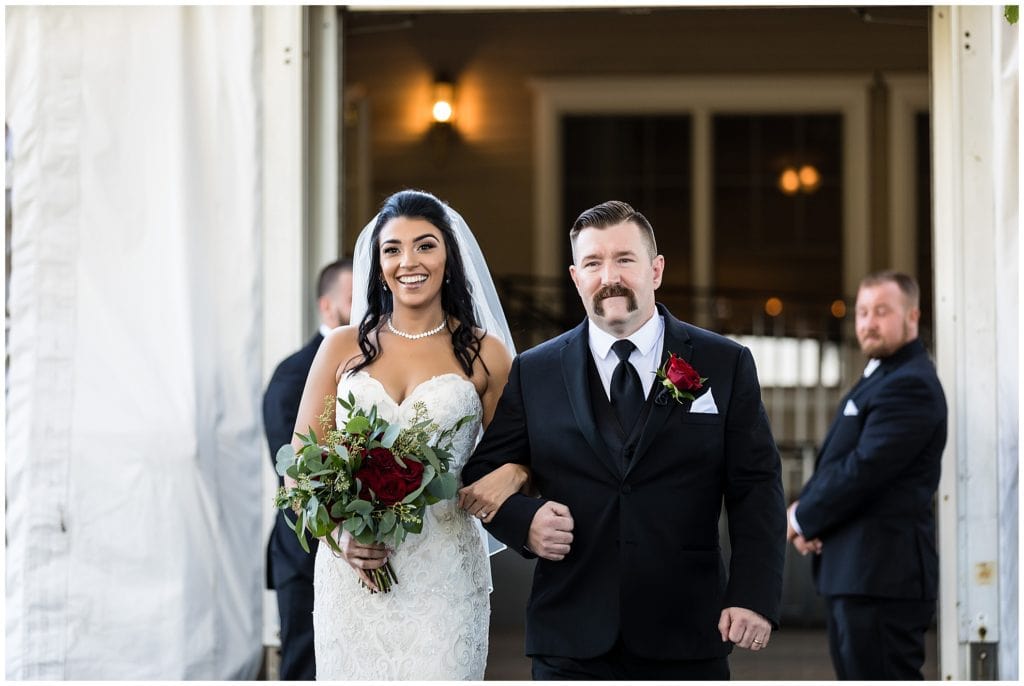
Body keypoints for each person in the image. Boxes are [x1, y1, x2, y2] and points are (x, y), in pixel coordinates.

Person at [461, 200, 786, 680]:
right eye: (593, 263)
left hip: (688, 631)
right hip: (569, 634)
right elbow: (479, 475)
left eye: (624, 259)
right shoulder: (536, 371)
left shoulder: (724, 363)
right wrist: (525, 523)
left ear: (655, 270)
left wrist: (752, 596)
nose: (608, 276)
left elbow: (756, 488)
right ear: (576, 278)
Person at [286, 189, 529, 680]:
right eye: (392, 249)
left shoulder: (486, 355)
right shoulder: (340, 349)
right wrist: (340, 536)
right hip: (351, 580)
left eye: (425, 245)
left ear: (448, 257)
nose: (408, 262)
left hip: (443, 579)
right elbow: (300, 463)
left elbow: (526, 454)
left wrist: (517, 472)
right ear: (377, 266)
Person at [787, 271, 946, 680]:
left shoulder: (910, 384)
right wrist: (811, 513)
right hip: (860, 574)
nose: (868, 322)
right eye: (861, 312)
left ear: (912, 317)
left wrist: (805, 517)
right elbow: (838, 461)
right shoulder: (882, 376)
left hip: (881, 578)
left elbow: (865, 470)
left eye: (881, 311)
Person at [262, 258, 353, 680]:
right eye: (354, 301)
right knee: (305, 666)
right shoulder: (293, 374)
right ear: (327, 307)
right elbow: (294, 475)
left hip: (367, 551)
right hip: (306, 552)